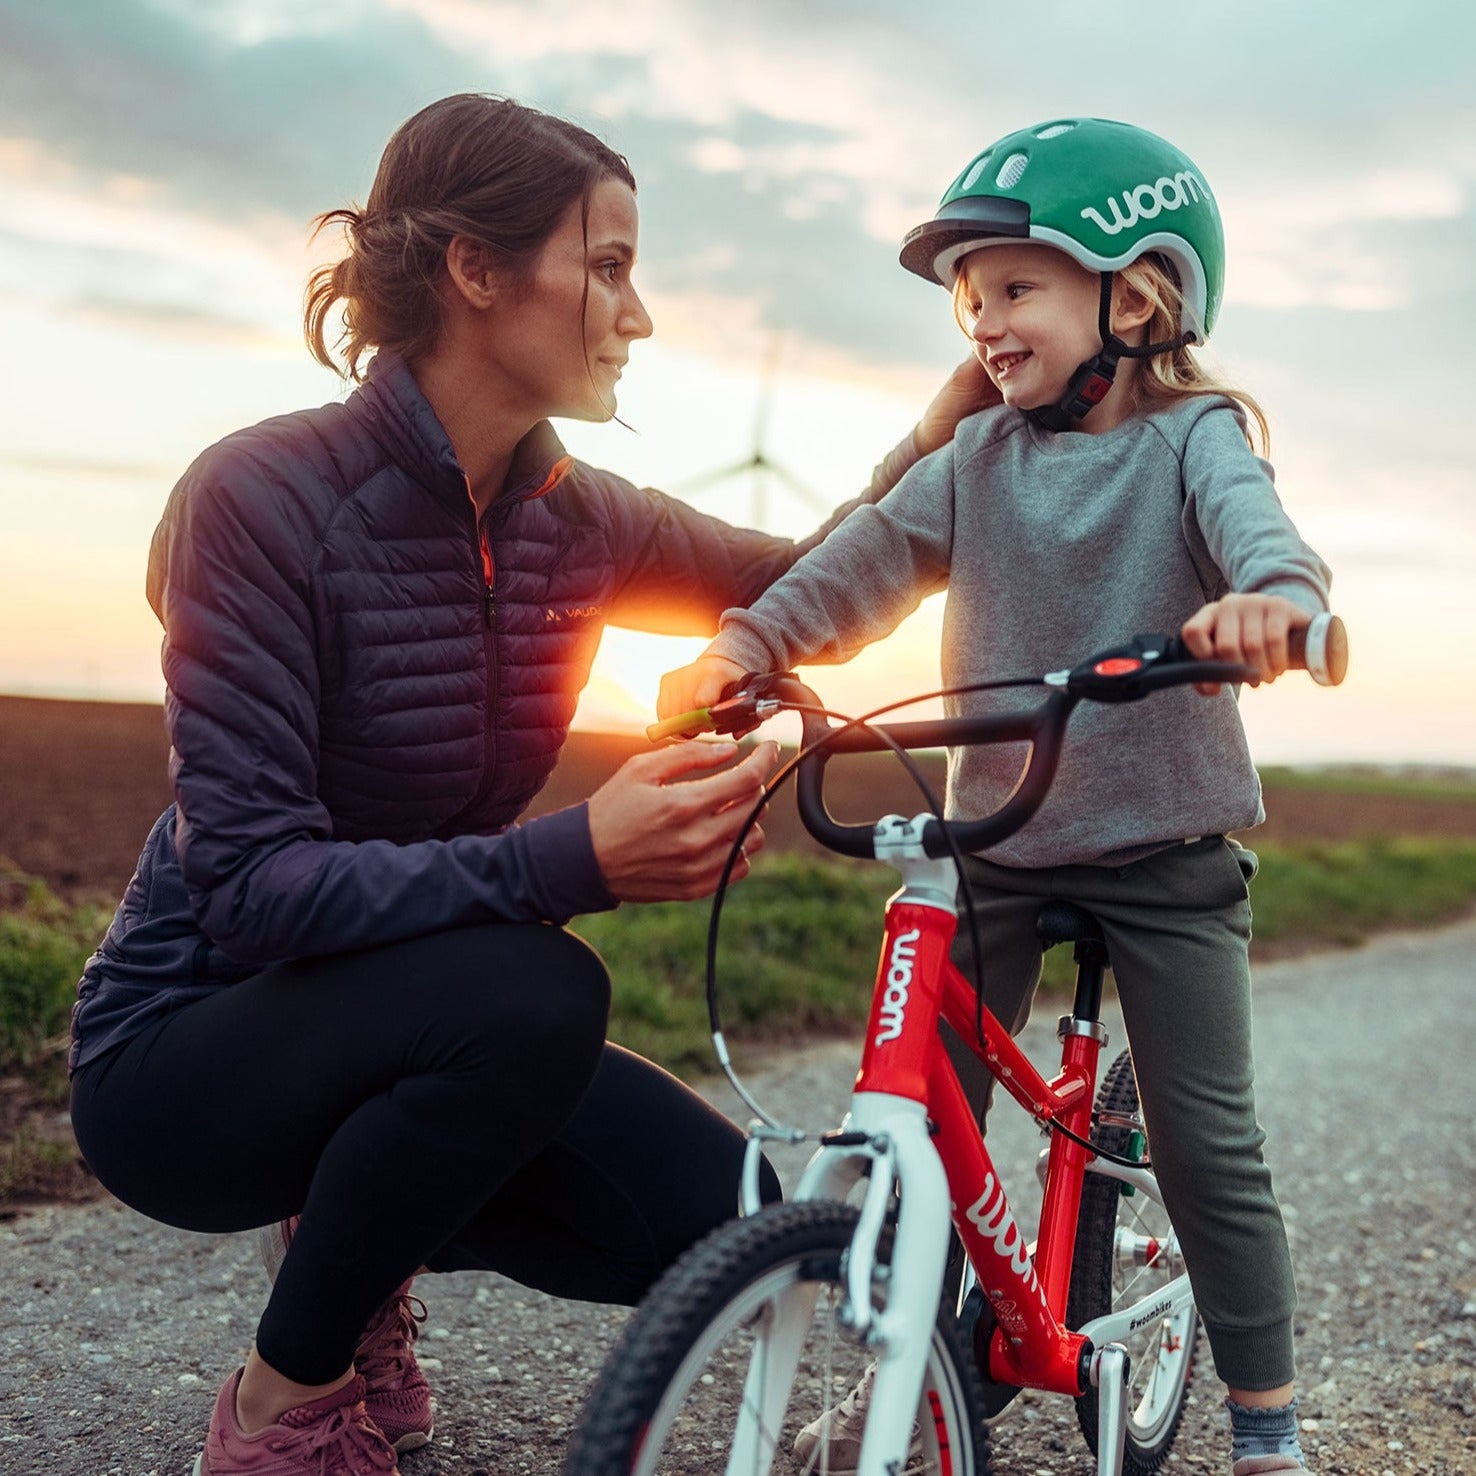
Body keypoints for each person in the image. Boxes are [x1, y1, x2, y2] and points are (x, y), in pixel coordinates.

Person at [65, 94, 995, 1476]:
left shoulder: (583, 517)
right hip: (186, 1055)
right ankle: (283, 1400)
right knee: (539, 986)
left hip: (420, 1012)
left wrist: (949, 431)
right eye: (607, 265)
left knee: (745, 1229)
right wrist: (580, 860)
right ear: (478, 272)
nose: (640, 312)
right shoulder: (259, 500)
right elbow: (251, 893)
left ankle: (356, 1231)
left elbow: (809, 582)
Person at [658, 118, 1330, 1476]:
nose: (982, 321)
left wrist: (1274, 605)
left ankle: (1267, 1425)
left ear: (1135, 297)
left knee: (1206, 1144)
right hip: (999, 840)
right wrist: (751, 642)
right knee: (914, 1098)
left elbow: (1263, 539)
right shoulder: (972, 463)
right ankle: (922, 1356)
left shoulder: (1194, 443)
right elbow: (859, 561)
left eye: (1015, 287)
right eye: (969, 300)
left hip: (1165, 848)